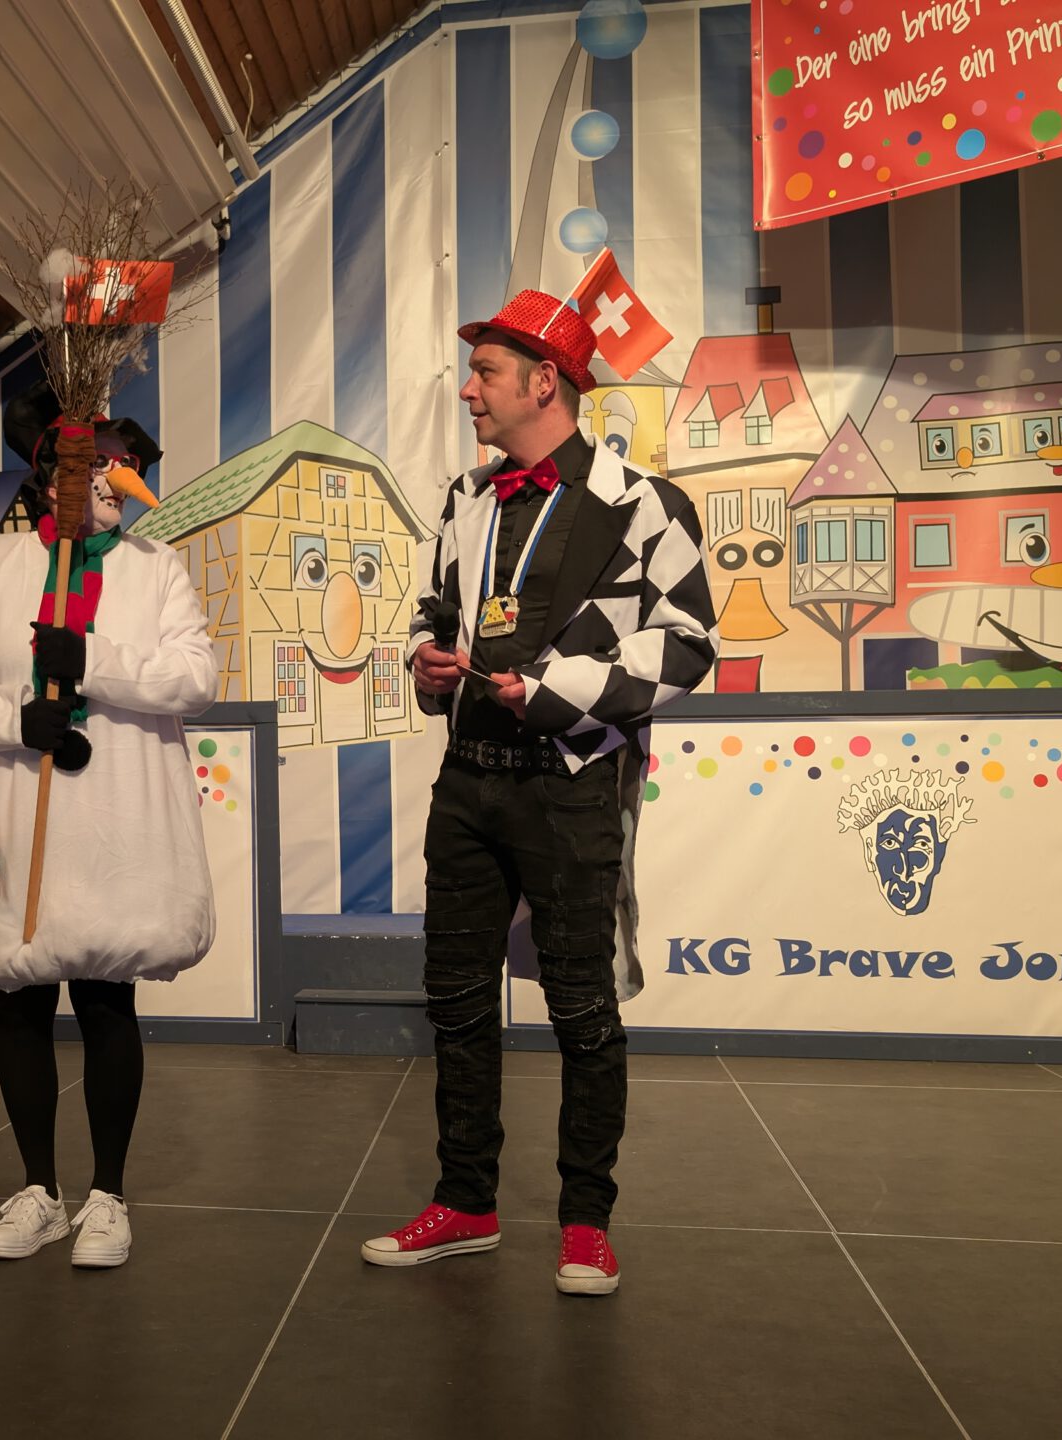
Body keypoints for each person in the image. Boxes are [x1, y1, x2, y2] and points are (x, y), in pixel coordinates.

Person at [359, 290, 717, 1295]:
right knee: (456, 1001)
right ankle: (466, 1202)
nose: (468, 390)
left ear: (543, 382)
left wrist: (557, 688)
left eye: (485, 372)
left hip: (572, 784)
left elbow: (690, 643)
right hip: (468, 780)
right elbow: (435, 612)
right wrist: (428, 659)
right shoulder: (463, 498)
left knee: (581, 1009)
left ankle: (585, 1222)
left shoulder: (643, 502)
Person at [0, 384, 218, 1270]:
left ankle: (107, 1195)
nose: (115, 485)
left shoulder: (155, 568)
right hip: (22, 804)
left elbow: (195, 675)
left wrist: (95, 662)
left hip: (118, 817)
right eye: (99, 468)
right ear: (54, 477)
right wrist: (9, 719)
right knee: (21, 1001)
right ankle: (39, 1190)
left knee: (108, 999)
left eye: (124, 470)